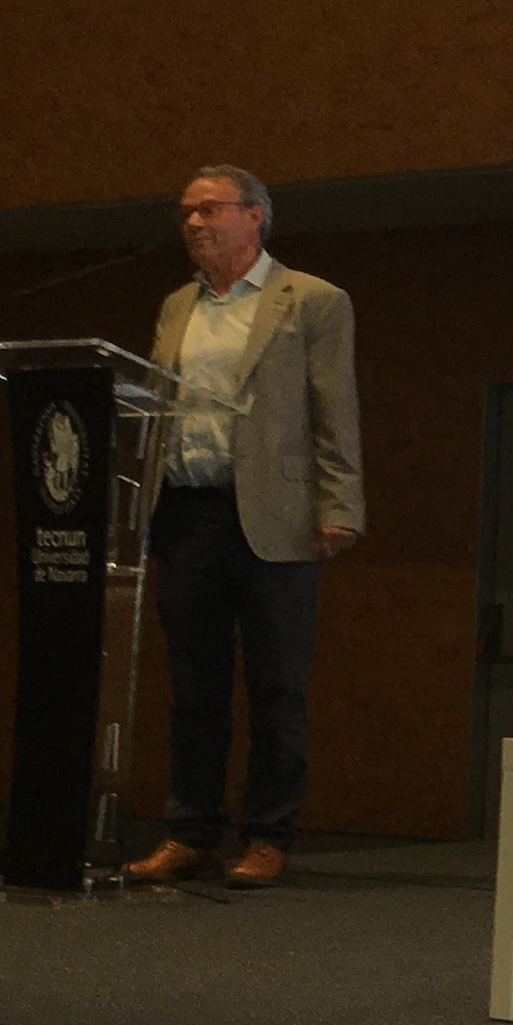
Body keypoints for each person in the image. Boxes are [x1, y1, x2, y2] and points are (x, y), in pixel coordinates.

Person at [121, 168, 364, 888]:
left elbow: (335, 407)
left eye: (209, 209)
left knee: (276, 688)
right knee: (194, 687)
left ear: (255, 216)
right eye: (185, 212)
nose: (194, 222)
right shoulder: (177, 306)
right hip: (186, 512)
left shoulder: (313, 300)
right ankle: (190, 832)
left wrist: (341, 505)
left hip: (275, 516)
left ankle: (268, 835)